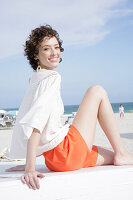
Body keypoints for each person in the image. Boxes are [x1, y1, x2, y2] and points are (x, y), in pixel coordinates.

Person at [5, 25, 133, 190]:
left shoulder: (35, 80)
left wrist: (27, 162)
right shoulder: (51, 78)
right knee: (97, 91)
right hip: (66, 151)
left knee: (112, 153)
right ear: (36, 55)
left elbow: (27, 124)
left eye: (56, 47)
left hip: (55, 161)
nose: (54, 53)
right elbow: (35, 124)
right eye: (46, 49)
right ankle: (122, 152)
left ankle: (121, 154)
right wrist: (30, 168)